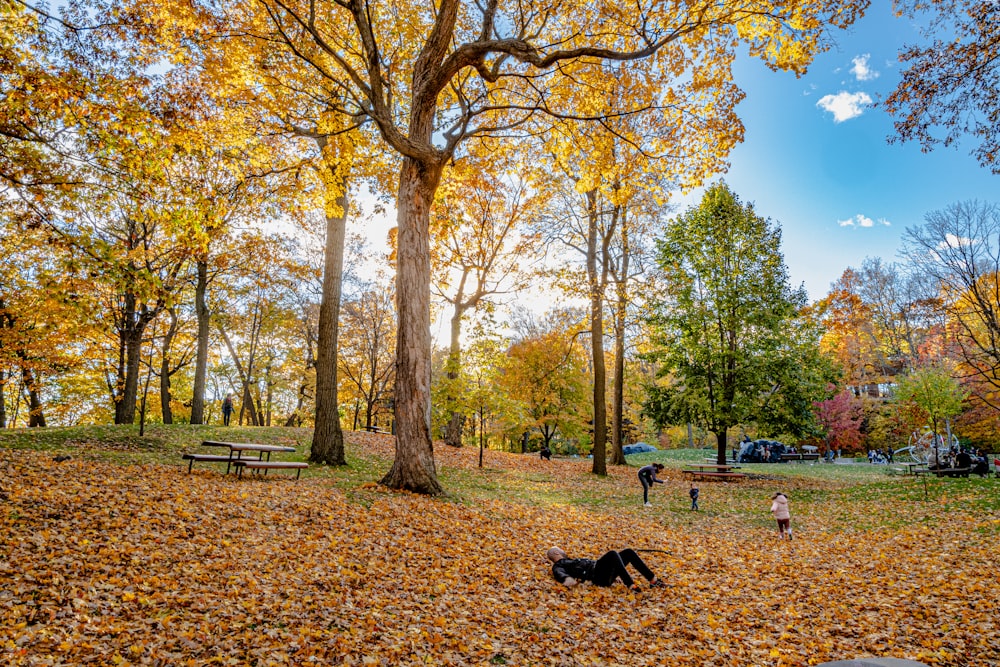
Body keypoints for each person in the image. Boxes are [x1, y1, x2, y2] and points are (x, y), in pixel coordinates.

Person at [546, 546, 665, 591]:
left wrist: (614, 575)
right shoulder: (559, 565)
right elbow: (559, 573)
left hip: (601, 573)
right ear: (556, 552)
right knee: (612, 554)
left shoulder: (570, 561)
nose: (564, 551)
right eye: (562, 550)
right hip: (596, 575)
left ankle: (653, 580)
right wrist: (567, 580)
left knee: (628, 552)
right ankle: (630, 584)